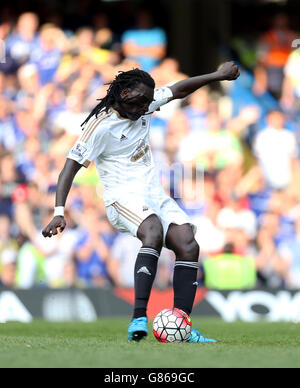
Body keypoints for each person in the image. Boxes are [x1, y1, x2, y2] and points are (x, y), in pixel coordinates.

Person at [42, 62, 240, 342]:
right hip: (121, 200)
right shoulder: (99, 127)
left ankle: (182, 325)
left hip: (154, 195)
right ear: (123, 93)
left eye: (149, 102)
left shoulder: (144, 102)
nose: (145, 108)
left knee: (188, 242)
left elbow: (178, 90)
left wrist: (217, 75)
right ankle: (138, 317)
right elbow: (69, 169)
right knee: (154, 230)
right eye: (139, 102)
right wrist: (59, 211)